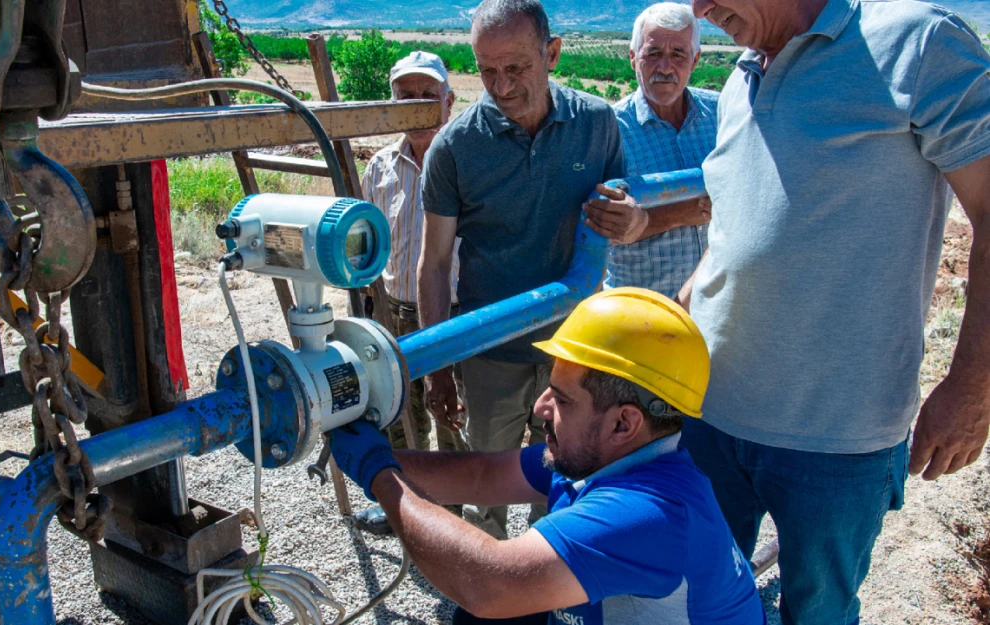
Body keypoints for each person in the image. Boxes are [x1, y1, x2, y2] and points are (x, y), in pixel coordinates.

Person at [645, 1, 988, 623]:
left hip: (838, 434)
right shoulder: (738, 79)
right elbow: (736, 225)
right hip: (709, 415)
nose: (699, 9)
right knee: (701, 600)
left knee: (819, 611)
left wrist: (973, 387)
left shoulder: (918, 42)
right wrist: (676, 319)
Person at [328, 289, 766, 625]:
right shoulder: (604, 458)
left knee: (497, 599)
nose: (540, 409)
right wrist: (373, 450)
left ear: (623, 423)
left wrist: (380, 474)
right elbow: (479, 476)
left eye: (561, 399)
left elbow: (486, 582)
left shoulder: (649, 513)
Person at [418, 0, 625, 539]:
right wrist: (439, 365)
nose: (501, 86)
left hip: (573, 349)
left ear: (551, 53)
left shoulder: (598, 125)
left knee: (565, 476)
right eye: (487, 71)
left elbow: (619, 219)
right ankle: (486, 592)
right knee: (486, 479)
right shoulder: (455, 147)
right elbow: (435, 264)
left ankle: (545, 580)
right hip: (491, 355)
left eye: (516, 68)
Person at [355, 51, 467, 533]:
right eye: (406, 97)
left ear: (449, 101)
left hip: (456, 312)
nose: (417, 106)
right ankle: (414, 510)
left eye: (427, 96)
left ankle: (458, 517)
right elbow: (366, 245)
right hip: (394, 310)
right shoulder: (379, 168)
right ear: (391, 103)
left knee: (455, 416)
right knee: (401, 413)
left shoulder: (467, 164)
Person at [589, 3, 718, 296]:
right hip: (642, 310)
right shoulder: (608, 129)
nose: (665, 67)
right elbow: (598, 223)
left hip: (717, 308)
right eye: (653, 53)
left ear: (695, 60)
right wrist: (686, 211)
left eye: (678, 54)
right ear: (633, 58)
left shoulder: (724, 113)